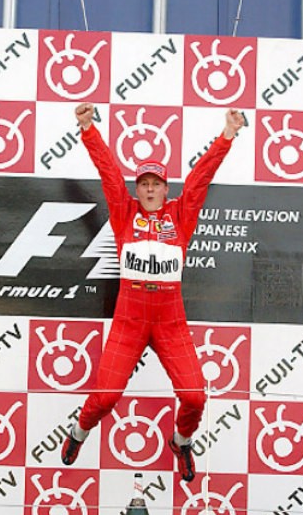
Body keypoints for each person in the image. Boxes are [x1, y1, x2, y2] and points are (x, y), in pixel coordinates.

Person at [61, 102, 245, 482]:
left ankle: (181, 441)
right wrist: (88, 130)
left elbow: (200, 178)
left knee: (195, 397)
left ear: (165, 189)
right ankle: (78, 431)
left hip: (169, 321)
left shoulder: (181, 215)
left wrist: (227, 135)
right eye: (143, 183)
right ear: (138, 188)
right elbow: (109, 174)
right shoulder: (124, 212)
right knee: (106, 398)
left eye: (155, 184)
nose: (148, 189)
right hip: (129, 319)